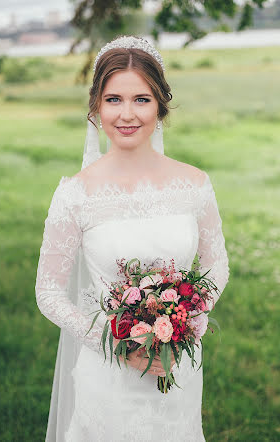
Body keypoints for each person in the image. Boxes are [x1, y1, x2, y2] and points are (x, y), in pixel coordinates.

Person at [35, 35, 230, 442]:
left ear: (161, 104)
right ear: (95, 106)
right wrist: (119, 339)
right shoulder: (75, 194)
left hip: (176, 367)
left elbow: (216, 264)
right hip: (106, 375)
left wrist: (187, 324)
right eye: (113, 99)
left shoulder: (194, 184)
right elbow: (49, 292)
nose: (127, 114)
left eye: (141, 99)